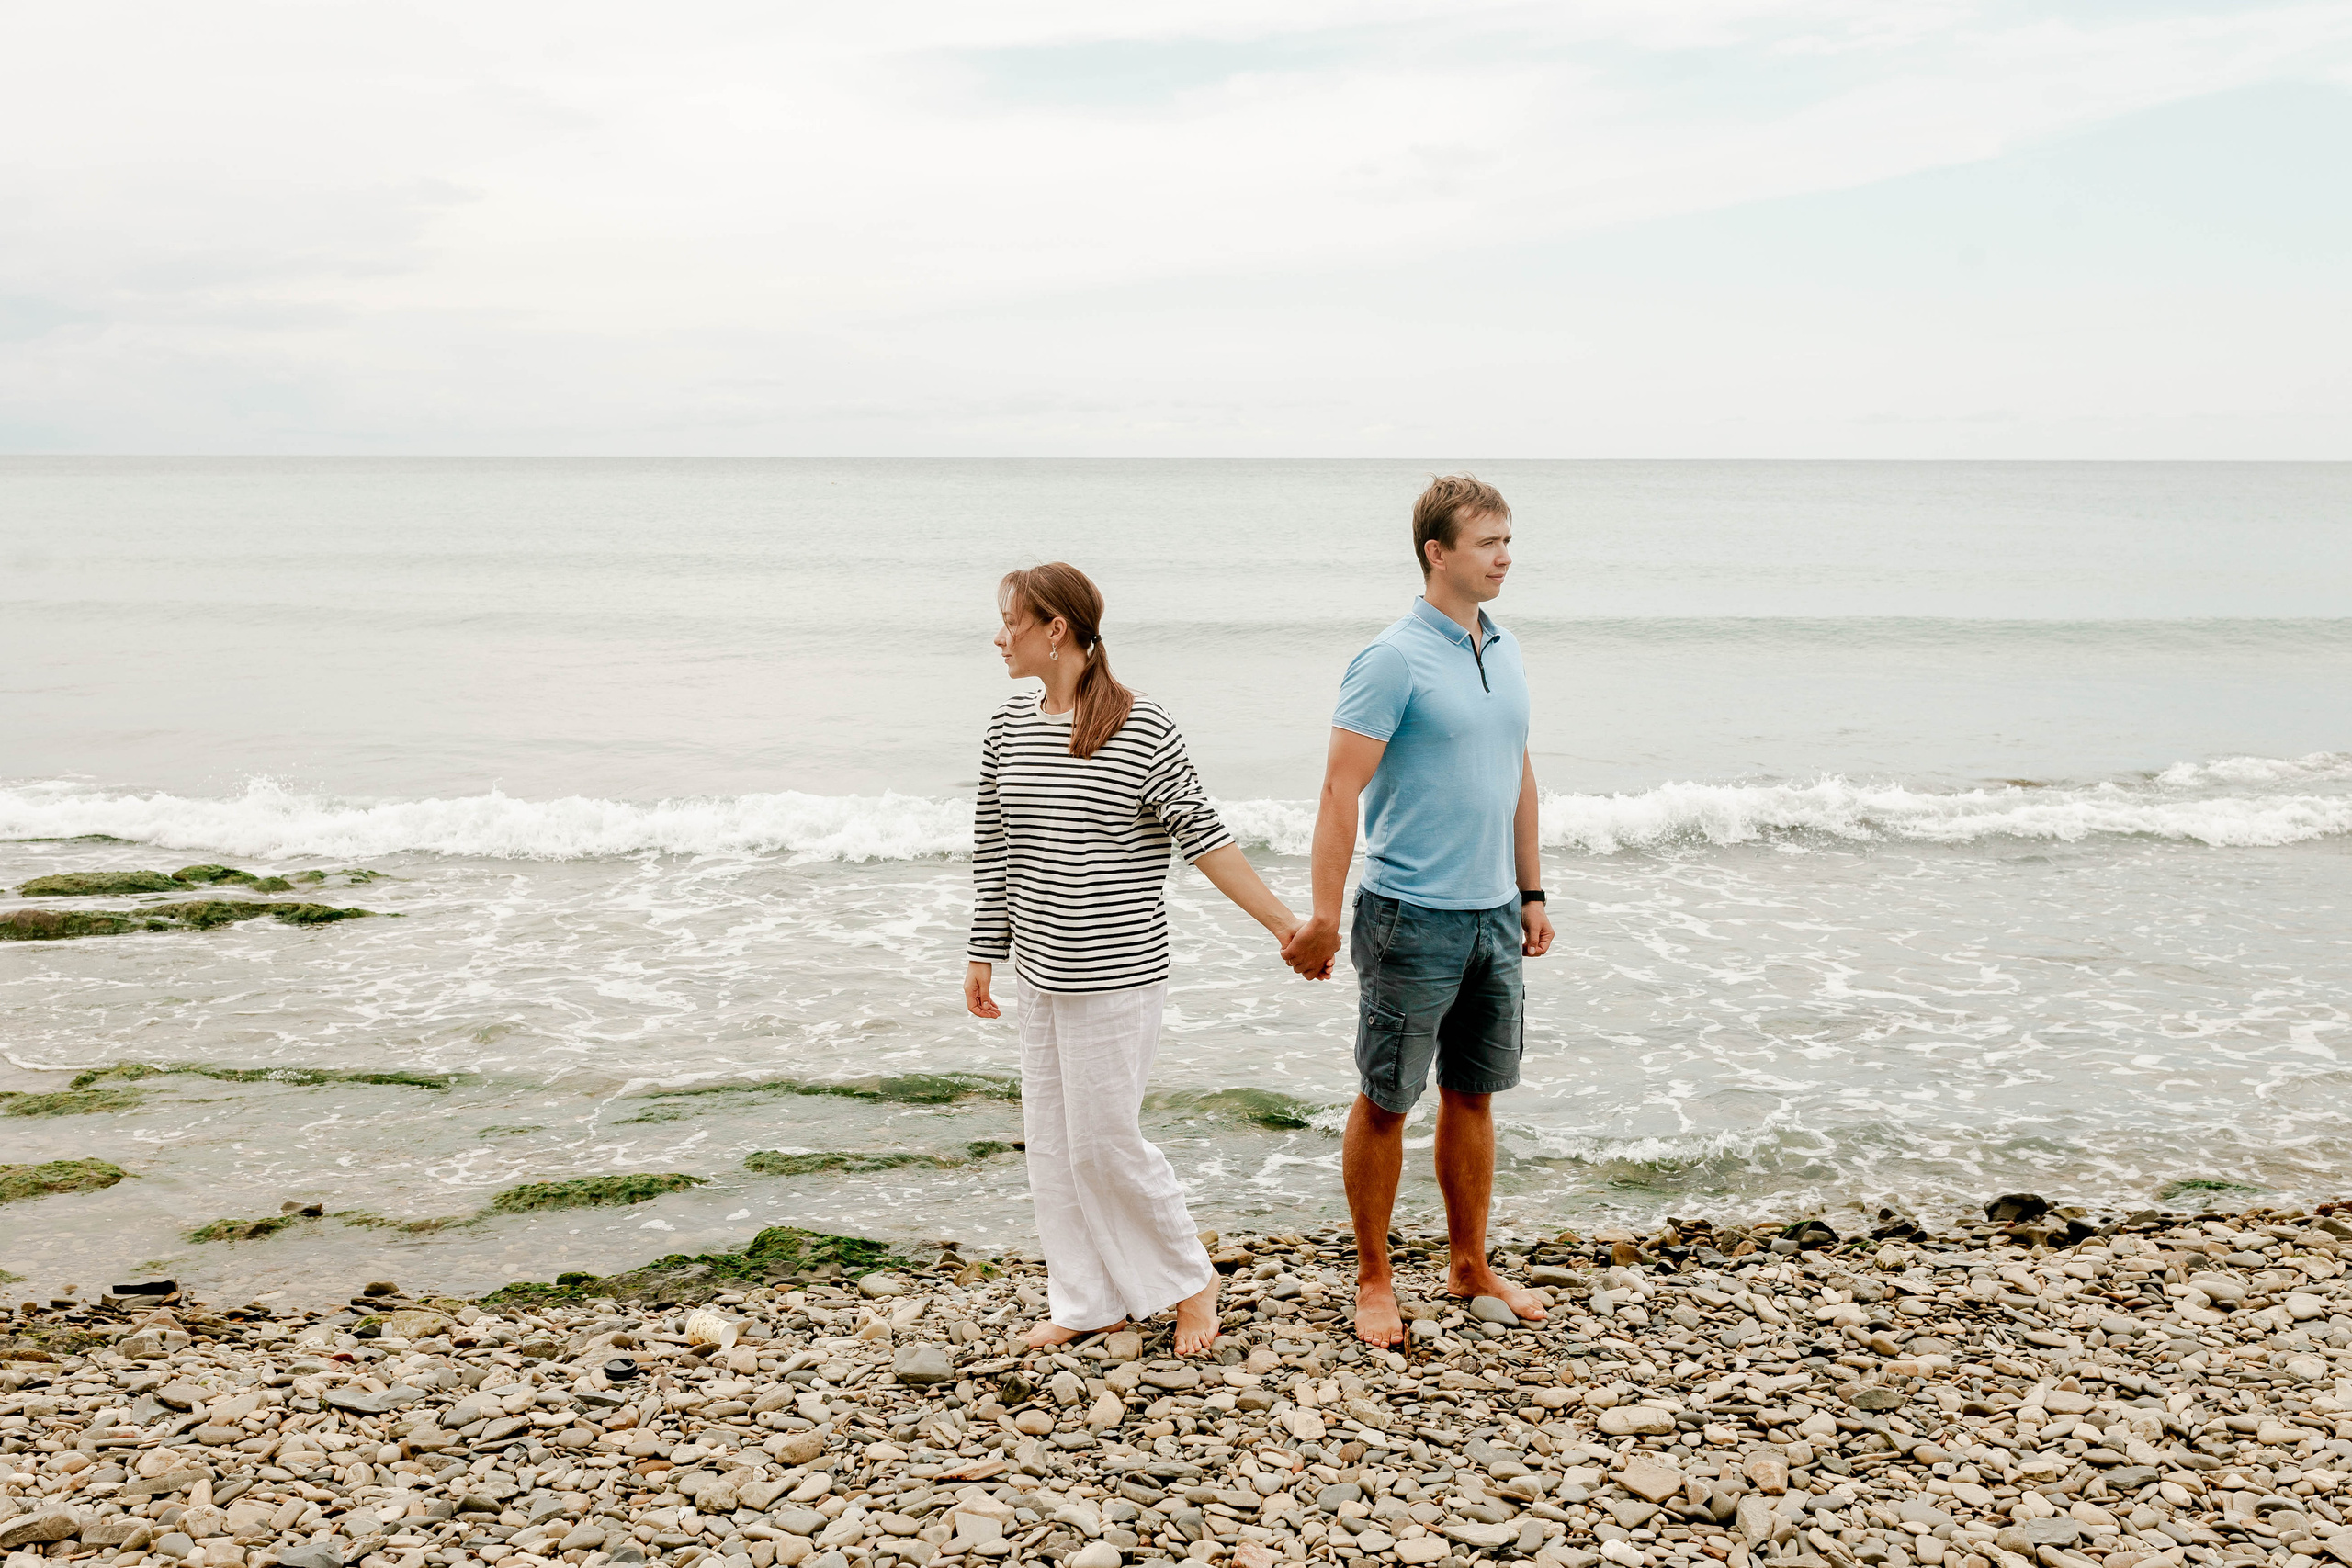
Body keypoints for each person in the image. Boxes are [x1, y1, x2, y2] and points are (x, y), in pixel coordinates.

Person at [964, 561, 1306, 1356]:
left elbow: (1205, 839)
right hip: (1040, 969)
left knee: (1105, 1141)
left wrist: (1285, 924)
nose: (998, 635)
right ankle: (1088, 1299)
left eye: (1010, 619)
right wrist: (986, 948)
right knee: (1051, 1143)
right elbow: (994, 847)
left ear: (1056, 629)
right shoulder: (1007, 726)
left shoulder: (1142, 726)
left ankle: (1192, 1280)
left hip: (1116, 973)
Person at [1279, 474, 1556, 1348]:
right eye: (1488, 542)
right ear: (1438, 553)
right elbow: (1338, 789)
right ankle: (1373, 1278)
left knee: (1474, 1096)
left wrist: (1533, 889)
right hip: (1410, 916)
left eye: (1508, 540)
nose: (1506, 556)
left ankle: (1469, 1263)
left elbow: (1517, 771)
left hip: (1493, 915)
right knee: (1388, 1099)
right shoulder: (1391, 658)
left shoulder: (1505, 647)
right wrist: (1325, 915)